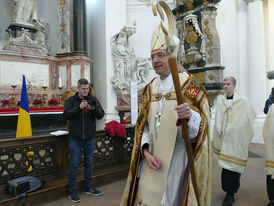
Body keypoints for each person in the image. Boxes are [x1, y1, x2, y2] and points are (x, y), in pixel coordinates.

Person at [120, 16, 211, 206]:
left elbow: (202, 131)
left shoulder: (190, 86)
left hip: (178, 159)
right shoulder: (150, 88)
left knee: (170, 200)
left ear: (172, 56)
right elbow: (143, 127)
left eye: (160, 55)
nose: (155, 60)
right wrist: (145, 151)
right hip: (152, 159)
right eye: (152, 56)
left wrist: (191, 117)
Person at [212, 76, 257, 206]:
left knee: (234, 167)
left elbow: (249, 117)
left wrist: (237, 129)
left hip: (236, 140)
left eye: (228, 84)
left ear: (234, 85)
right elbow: (219, 119)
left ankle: (231, 194)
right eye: (224, 84)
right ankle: (227, 191)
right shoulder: (221, 101)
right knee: (226, 168)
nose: (225, 86)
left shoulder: (242, 102)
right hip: (224, 139)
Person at [63, 78, 105, 203]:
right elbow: (65, 115)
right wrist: (79, 108)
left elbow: (101, 114)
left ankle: (89, 186)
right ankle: (72, 189)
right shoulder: (71, 100)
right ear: (78, 88)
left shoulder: (93, 99)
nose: (86, 91)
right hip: (75, 138)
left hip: (89, 138)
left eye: (87, 89)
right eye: (83, 89)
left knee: (89, 163)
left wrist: (94, 109)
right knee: (75, 163)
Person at [263, 102, 274, 206]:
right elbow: (267, 128)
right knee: (271, 172)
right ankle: (272, 199)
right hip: (273, 145)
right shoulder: (273, 108)